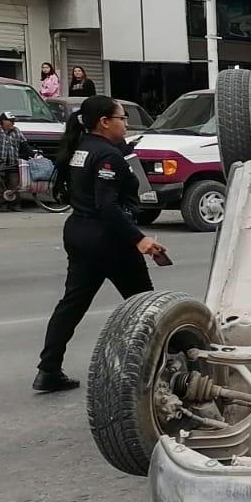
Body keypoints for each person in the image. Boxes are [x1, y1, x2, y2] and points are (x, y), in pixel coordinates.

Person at [34, 97, 165, 393]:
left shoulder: (81, 148)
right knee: (146, 306)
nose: (126, 123)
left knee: (71, 305)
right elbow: (107, 206)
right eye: (122, 118)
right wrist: (139, 239)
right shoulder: (107, 157)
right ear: (105, 122)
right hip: (108, 239)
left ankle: (48, 369)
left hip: (80, 233)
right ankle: (165, 366)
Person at [0, 110, 32, 212]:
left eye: (13, 121)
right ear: (3, 121)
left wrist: (32, 154)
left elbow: (24, 144)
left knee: (14, 183)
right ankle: (1, 204)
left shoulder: (16, 131)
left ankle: (15, 204)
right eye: (11, 121)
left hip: (13, 161)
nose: (13, 123)